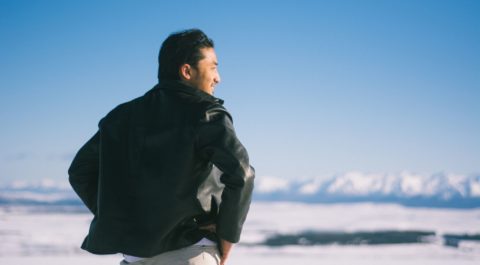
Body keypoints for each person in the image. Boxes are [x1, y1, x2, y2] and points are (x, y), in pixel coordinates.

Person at [68, 29, 255, 265]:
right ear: (187, 71)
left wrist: (125, 216)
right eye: (214, 67)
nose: (218, 78)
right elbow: (242, 173)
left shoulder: (121, 117)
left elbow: (80, 171)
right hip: (191, 252)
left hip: (135, 258)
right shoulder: (204, 113)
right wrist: (227, 234)